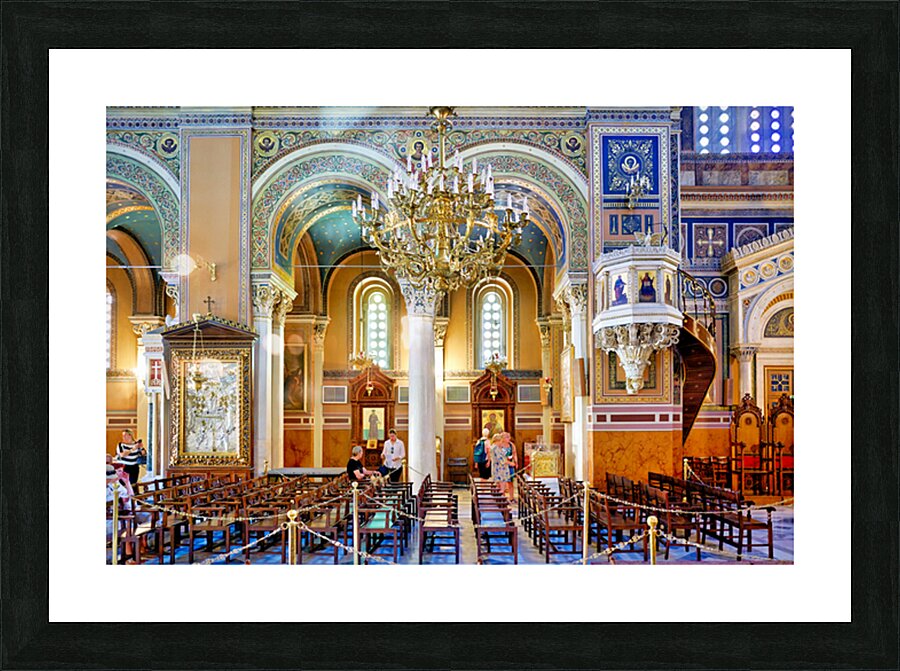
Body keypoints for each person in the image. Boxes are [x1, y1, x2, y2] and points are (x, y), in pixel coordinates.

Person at [489, 434, 513, 499]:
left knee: (498, 485)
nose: (501, 443)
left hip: (496, 468)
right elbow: (501, 460)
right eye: (500, 441)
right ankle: (502, 502)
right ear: (497, 441)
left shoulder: (492, 447)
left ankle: (500, 501)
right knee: (502, 487)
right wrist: (510, 463)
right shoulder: (496, 448)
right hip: (500, 470)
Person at [501, 432, 519, 500]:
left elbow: (514, 454)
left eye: (509, 437)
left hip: (511, 466)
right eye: (507, 437)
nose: (509, 438)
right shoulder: (500, 446)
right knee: (502, 482)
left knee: (510, 481)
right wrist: (507, 462)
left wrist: (516, 462)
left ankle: (511, 497)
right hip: (502, 466)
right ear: (503, 438)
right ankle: (503, 497)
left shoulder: (511, 445)